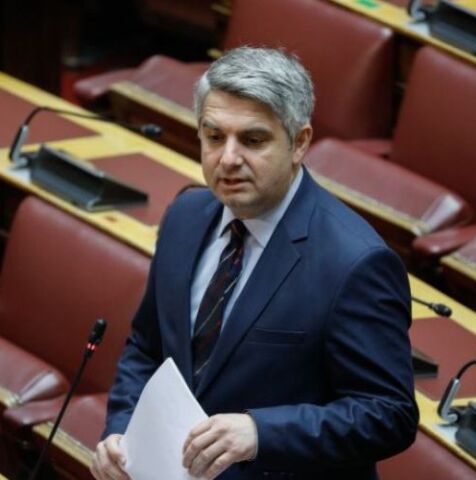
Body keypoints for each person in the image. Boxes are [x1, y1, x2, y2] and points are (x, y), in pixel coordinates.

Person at [91, 47, 418, 480]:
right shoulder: (185, 217)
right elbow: (147, 348)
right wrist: (123, 433)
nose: (227, 159)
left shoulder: (355, 263)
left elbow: (388, 413)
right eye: (214, 137)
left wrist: (261, 433)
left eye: (253, 140)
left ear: (299, 142)